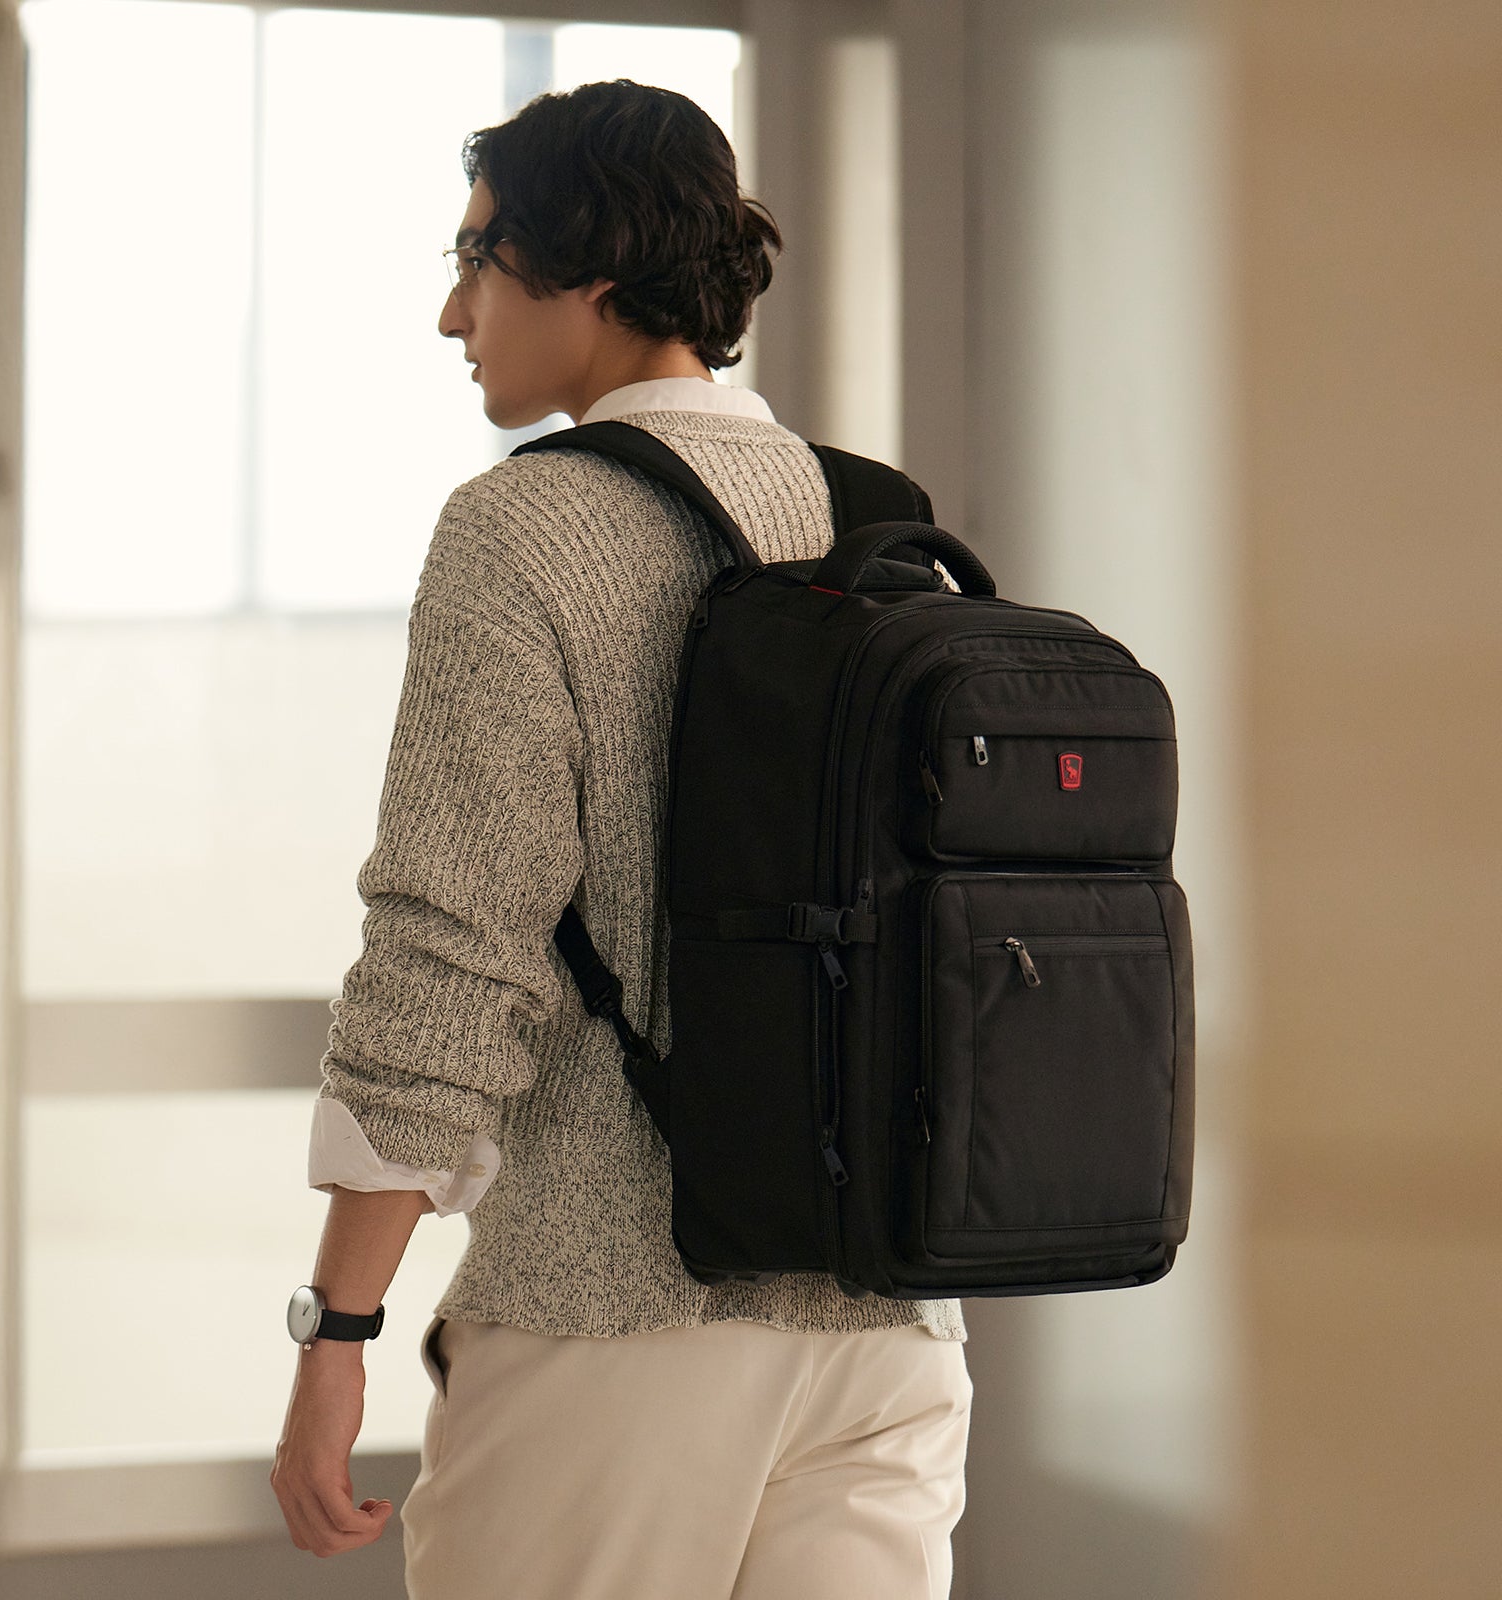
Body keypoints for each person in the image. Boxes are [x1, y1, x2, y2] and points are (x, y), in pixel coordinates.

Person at [271, 78, 972, 1599]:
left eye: (477, 263)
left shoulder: (522, 528)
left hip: (612, 1331)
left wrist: (338, 1331)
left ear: (586, 273)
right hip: (890, 1329)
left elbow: (453, 950)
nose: (453, 316)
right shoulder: (876, 519)